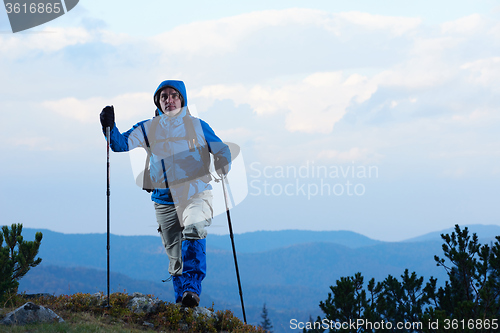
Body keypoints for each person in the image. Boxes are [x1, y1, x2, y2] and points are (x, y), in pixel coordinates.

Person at [99, 80, 231, 307]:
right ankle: (183, 301)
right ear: (158, 102)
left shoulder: (197, 126)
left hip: (196, 194)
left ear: (182, 99)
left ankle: (192, 289)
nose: (169, 100)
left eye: (173, 96)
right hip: (163, 201)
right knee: (175, 258)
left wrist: (222, 161)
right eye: (164, 97)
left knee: (194, 227)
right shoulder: (148, 128)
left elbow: (221, 149)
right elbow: (120, 145)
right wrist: (108, 128)